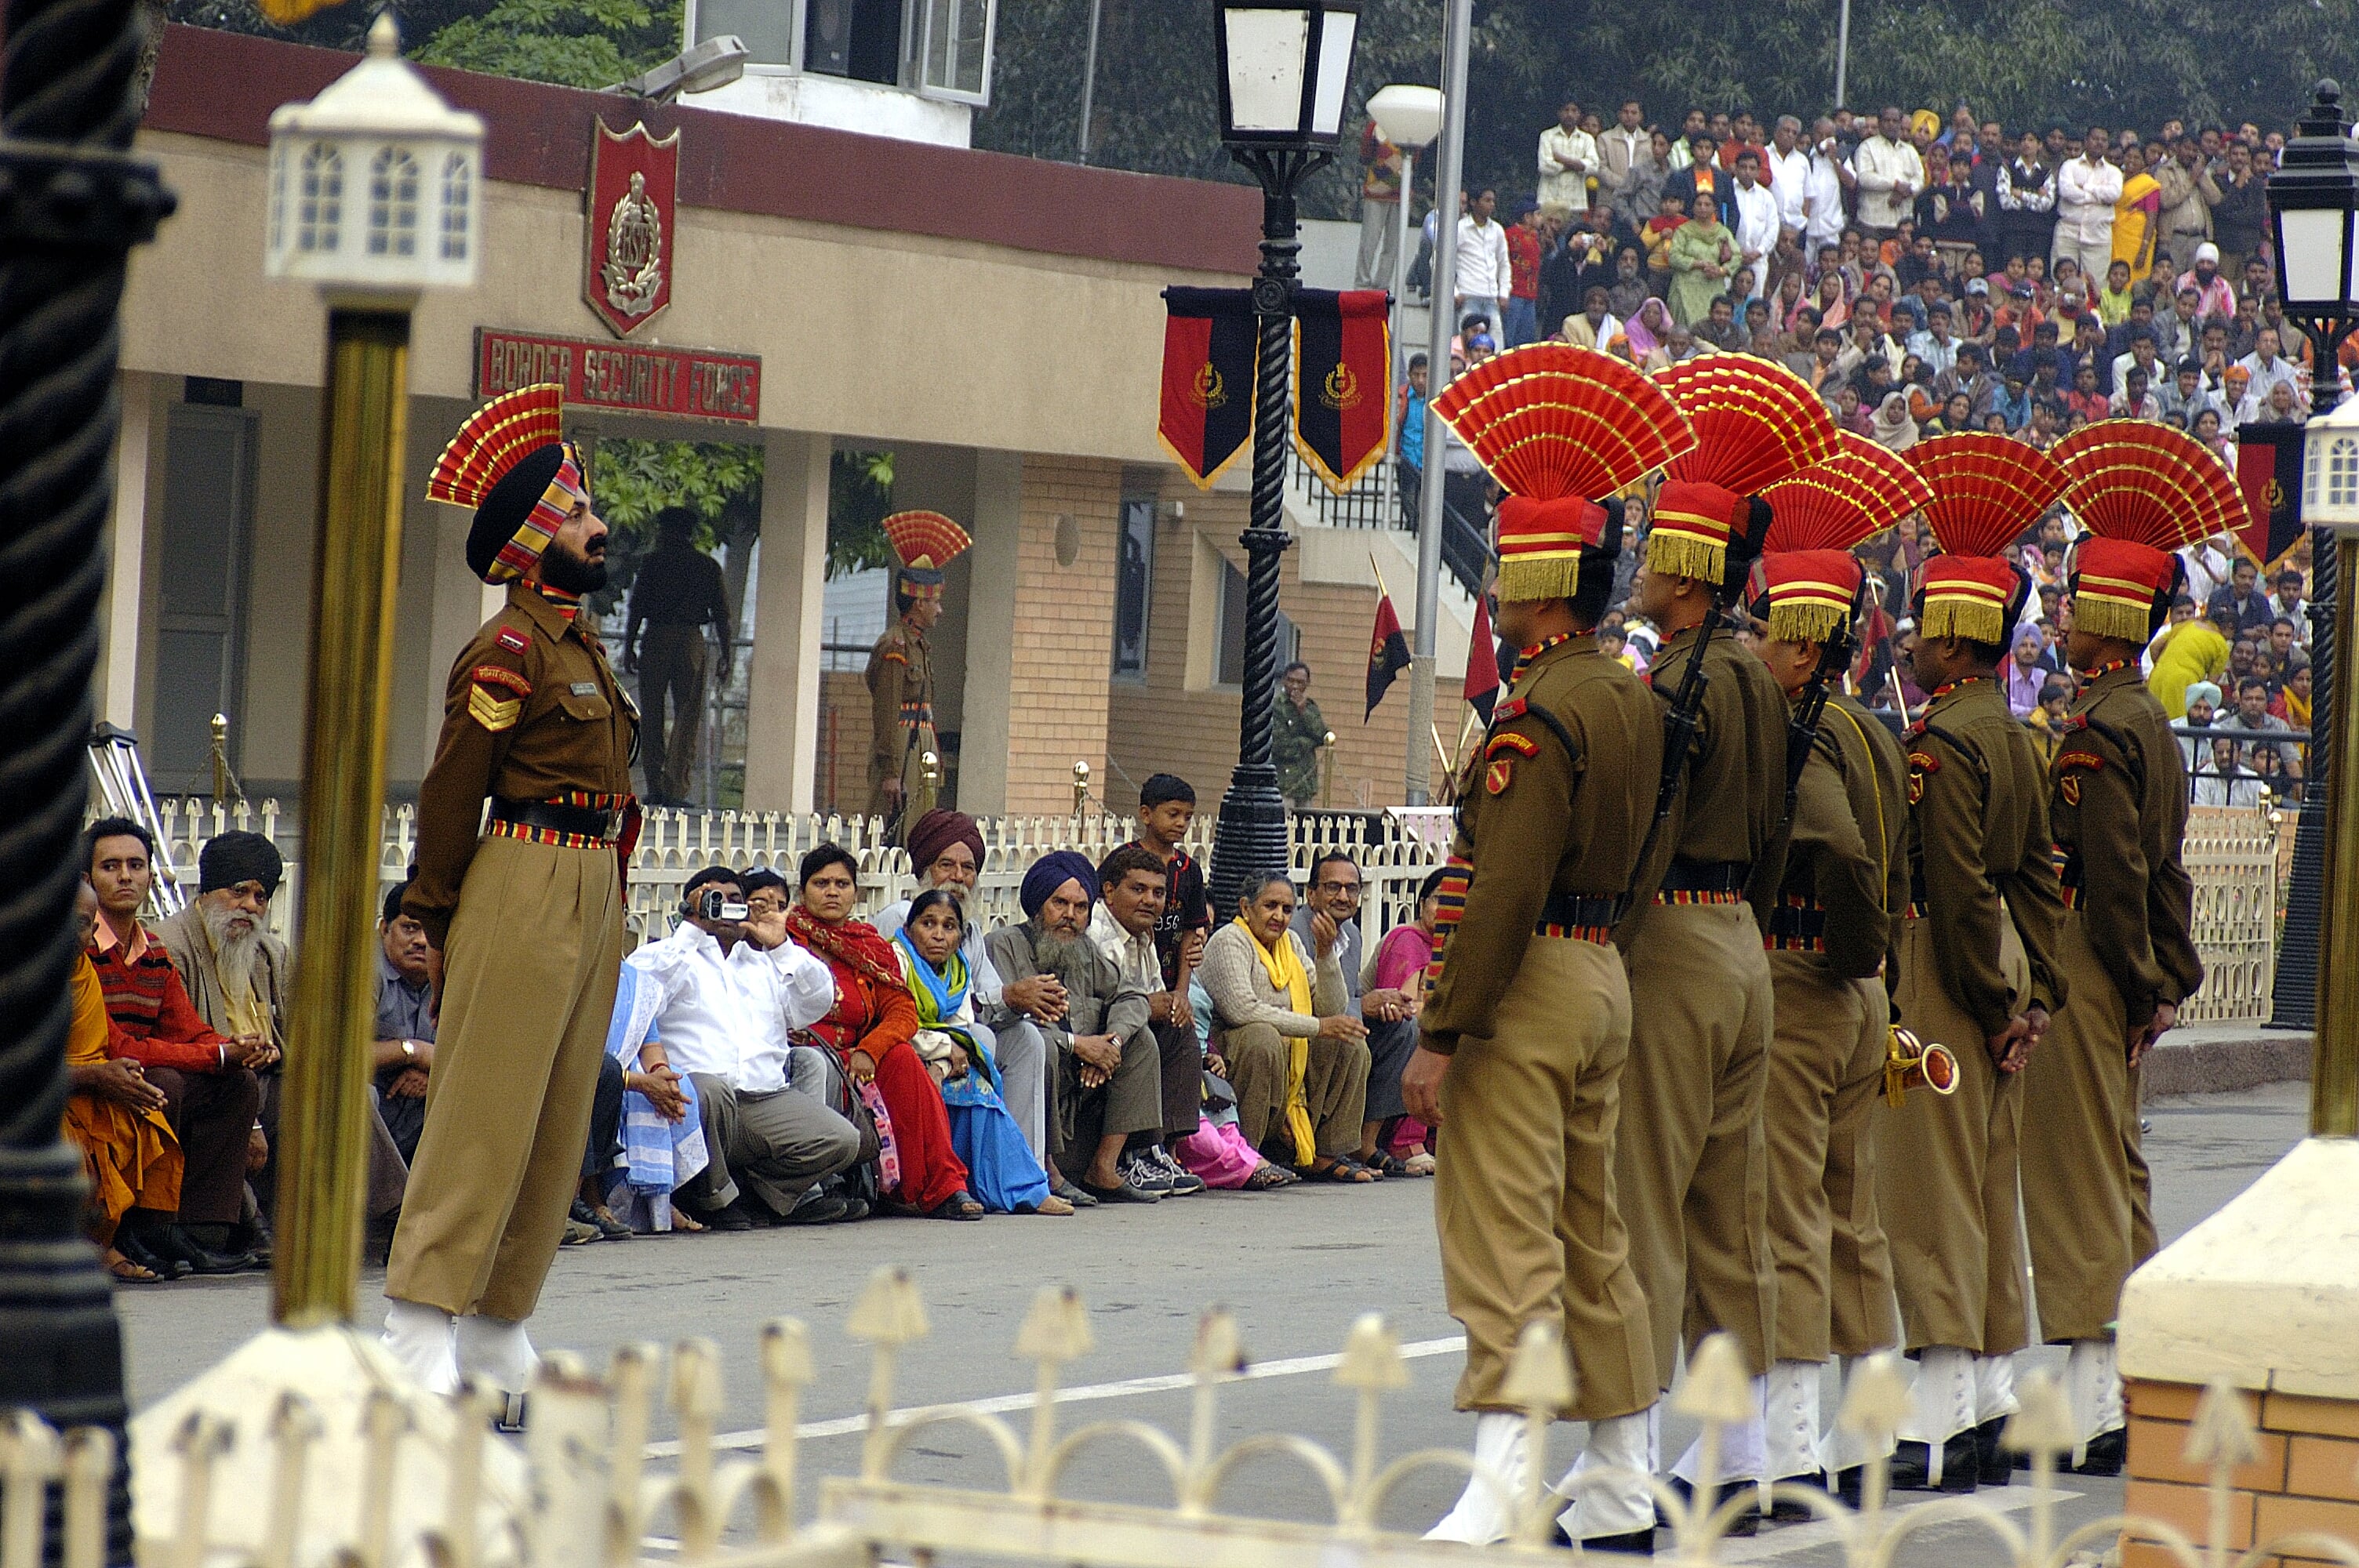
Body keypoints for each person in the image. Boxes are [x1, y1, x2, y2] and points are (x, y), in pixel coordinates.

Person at [1405, 437, 1663, 1549]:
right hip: (1602, 966)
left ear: (1543, 588)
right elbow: (1651, 855)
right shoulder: (1630, 697)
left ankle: (1505, 1482)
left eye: (1507, 573)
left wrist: (1445, 1026)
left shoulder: (1535, 717)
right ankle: (1619, 1480)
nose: (1496, 591)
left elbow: (1501, 889)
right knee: (1591, 1233)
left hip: (1525, 986)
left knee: (1508, 1236)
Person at [387, 385, 638, 1406]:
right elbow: (453, 792)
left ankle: (498, 1324)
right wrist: (431, 913)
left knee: (554, 1117)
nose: (598, 526)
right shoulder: (509, 650)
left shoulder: (579, 644)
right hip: (523, 876)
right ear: (537, 536)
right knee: (485, 1112)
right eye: (577, 513)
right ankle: (416, 1326)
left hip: (589, 883)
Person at [1882, 437, 2070, 1494]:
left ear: (1957, 641)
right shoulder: (2016, 735)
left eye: (1922, 629)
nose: (1909, 645)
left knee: (1929, 1190)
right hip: (2000, 967)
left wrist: (1993, 1003)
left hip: (1946, 976)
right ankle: (1993, 1402)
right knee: (1988, 1187)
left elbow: (1951, 891)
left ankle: (1940, 1418)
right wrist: (2037, 993)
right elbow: (2037, 880)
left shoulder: (1939, 749)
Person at [2021, 455, 2205, 1478]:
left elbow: (2120, 871)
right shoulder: (2147, 721)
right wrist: (2165, 980)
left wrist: (2136, 981)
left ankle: (2102, 1408)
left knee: (2076, 1180)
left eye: (2081, 604)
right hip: (2121, 961)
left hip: (2091, 956)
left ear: (2115, 621)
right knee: (2113, 1174)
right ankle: (2125, 1388)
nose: (2066, 619)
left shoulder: (2097, 727)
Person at [1616, 466, 1787, 1512]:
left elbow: (1649, 832)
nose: (1636, 571)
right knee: (1729, 1209)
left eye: (1650, 555)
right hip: (1740, 939)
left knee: (1642, 1201)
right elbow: (1772, 831)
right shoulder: (1758, 674)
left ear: (1685, 573)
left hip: (1674, 938)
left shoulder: (1682, 682)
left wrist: (1613, 945)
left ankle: (1622, 1465)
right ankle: (1740, 1447)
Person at [1739, 519, 1912, 1506]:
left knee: (1788, 1209)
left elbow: (1845, 854)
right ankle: (1868, 1427)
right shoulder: (1870, 728)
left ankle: (1795, 1440)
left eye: (1769, 631)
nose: (1758, 645)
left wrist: (1845, 953)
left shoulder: (1804, 731)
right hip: (1855, 992)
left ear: (1804, 644)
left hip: (1807, 976)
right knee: (1852, 1211)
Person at [159, 831, 406, 1251]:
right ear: (206, 891)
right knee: (245, 1094)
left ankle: (397, 1215)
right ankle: (250, 1225)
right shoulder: (171, 946)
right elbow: (181, 1039)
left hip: (270, 1077)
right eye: (239, 892)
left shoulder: (270, 954)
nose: (250, 906)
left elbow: (303, 1042)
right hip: (210, 1078)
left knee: (344, 1093)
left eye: (261, 896)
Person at [625, 866, 864, 1228]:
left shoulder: (764, 963)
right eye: (715, 899)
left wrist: (782, 946)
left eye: (737, 900)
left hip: (762, 1099)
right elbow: (642, 1001)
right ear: (693, 904)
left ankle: (761, 1197)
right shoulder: (667, 954)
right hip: (695, 1099)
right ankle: (710, 1199)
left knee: (843, 1139)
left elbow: (818, 1000)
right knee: (713, 1089)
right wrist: (693, 927)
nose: (727, 908)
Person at [85, 818, 264, 1277]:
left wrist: (234, 1048)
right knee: (165, 1082)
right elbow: (115, 1043)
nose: (125, 876)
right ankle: (145, 1227)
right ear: (88, 877)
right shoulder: (81, 945)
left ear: (150, 876)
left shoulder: (154, 951)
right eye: (111, 866)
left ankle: (203, 1229)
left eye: (136, 865)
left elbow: (185, 1028)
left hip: (137, 1072)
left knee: (240, 1083)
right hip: (95, 1076)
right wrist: (215, 1055)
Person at [785, 844, 982, 1219]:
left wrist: (872, 1048)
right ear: (802, 891)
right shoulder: (786, 939)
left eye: (842, 884)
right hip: (805, 1052)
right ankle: (823, 1187)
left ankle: (944, 1186)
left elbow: (902, 1009)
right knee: (820, 1065)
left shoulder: (870, 946)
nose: (832, 891)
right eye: (821, 883)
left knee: (903, 1058)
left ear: (855, 892)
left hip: (860, 1056)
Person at [874, 808, 1055, 1178]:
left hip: (957, 1032)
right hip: (909, 1036)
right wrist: (1007, 997)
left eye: (968, 867)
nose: (958, 876)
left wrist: (1024, 998)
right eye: (946, 865)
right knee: (982, 1036)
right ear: (924, 870)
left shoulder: (967, 929)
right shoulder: (902, 917)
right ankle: (967, 1170)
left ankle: (1024, 1171)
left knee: (1026, 1039)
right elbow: (898, 1001)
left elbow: (986, 996)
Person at [987, 852, 1171, 1203]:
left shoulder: (1085, 949)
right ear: (1039, 905)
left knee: (1141, 1040)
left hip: (1083, 1080)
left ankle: (1104, 1167)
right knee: (1038, 1043)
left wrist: (1112, 1043)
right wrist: (1077, 1045)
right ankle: (1048, 1170)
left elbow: (1131, 996)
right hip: (1034, 1072)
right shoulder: (1005, 945)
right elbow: (1004, 1026)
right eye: (1060, 903)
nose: (1070, 916)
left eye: (1081, 907)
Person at [894, 889, 1070, 1214]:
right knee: (972, 1082)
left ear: (960, 936)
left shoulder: (957, 970)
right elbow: (900, 1027)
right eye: (928, 924)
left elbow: (962, 1030)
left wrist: (941, 1066)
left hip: (938, 1061)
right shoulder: (897, 962)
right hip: (899, 1057)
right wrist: (945, 1054)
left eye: (949, 927)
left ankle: (1018, 1188)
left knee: (979, 1089)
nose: (938, 935)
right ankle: (1014, 1189)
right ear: (909, 930)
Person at [1201, 874, 1373, 1181]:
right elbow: (1242, 1010)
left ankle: (1326, 1153)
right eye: (1270, 906)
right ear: (1245, 907)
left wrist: (1325, 953)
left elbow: (1331, 1008)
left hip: (1286, 1047)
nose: (1279, 916)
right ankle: (1248, 1154)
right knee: (1262, 1036)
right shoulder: (1230, 940)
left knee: (1350, 1041)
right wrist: (1317, 1027)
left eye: (1287, 909)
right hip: (1232, 1049)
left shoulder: (1290, 942)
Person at [62, 877, 184, 1283]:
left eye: (85, 925)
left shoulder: (80, 971)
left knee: (143, 1117)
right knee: (68, 1149)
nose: (77, 936)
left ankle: (99, 1245)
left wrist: (117, 1075)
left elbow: (93, 1047)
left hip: (71, 1090)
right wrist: (96, 1075)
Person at [1089, 843, 1217, 1193]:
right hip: (1098, 1032)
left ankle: (1161, 1151)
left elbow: (1155, 993)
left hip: (1127, 1025)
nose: (1150, 900)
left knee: (1179, 1027)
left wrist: (1173, 1004)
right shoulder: (1098, 934)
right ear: (1110, 892)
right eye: (1139, 890)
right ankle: (1131, 1156)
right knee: (1144, 1036)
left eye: (1158, 893)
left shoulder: (1143, 933)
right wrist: (1151, 1005)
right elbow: (1110, 1004)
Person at [1292, 851, 1419, 1175]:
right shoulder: (1295, 932)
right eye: (1333, 887)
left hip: (1339, 1017)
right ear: (1311, 893)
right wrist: (1362, 1006)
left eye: (1352, 888)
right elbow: (1305, 1001)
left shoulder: (1352, 935)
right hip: (1305, 1027)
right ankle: (1327, 1148)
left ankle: (1366, 1141)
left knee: (1406, 1028)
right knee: (1352, 1039)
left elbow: (1348, 992)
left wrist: (1386, 999)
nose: (1343, 896)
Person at [866, 509, 972, 840]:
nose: (939, 609)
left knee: (921, 831)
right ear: (918, 603)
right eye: (935, 602)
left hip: (921, 745)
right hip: (902, 747)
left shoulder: (919, 645)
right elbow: (887, 712)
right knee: (891, 833)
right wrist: (891, 772)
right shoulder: (895, 645)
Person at [623, 505, 732, 808]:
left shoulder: (652, 564)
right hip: (690, 639)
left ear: (665, 531)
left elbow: (636, 610)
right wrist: (726, 655)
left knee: (652, 713)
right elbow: (722, 616)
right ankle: (676, 786)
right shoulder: (706, 566)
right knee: (688, 714)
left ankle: (656, 786)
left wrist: (628, 645)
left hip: (656, 636)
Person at [373, 880, 435, 1166]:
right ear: (385, 929)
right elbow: (341, 1057)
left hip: (417, 1117)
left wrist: (431, 1074)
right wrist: (416, 1052)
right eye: (410, 928)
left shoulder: (451, 975)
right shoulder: (366, 971)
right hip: (372, 1104)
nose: (422, 940)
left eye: (431, 932)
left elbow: (479, 1057)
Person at [2054, 129, 2123, 284]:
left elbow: (2114, 195)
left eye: (2103, 140)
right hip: (2068, 233)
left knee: (2096, 285)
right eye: (2095, 139)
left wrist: (2085, 187)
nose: (2099, 143)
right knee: (2061, 282)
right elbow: (2067, 191)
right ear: (2086, 141)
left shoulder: (2114, 172)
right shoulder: (2070, 166)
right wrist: (2098, 195)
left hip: (2098, 236)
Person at [1854, 107, 1925, 240]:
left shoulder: (1910, 151)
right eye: (1887, 120)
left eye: (1895, 121)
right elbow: (1865, 178)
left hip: (1903, 225)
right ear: (1880, 123)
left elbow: (1920, 179)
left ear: (1900, 124)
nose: (1891, 124)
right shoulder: (1867, 147)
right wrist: (1895, 185)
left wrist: (1905, 192)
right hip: (1872, 223)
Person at [1668, 191, 1737, 327]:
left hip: (1713, 287)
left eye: (1707, 204)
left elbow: (1737, 257)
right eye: (1699, 204)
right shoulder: (1683, 231)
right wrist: (1697, 264)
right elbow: (1673, 257)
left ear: (1714, 209)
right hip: (1685, 287)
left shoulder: (1722, 232)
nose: (1703, 208)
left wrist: (1721, 270)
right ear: (1692, 208)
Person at [1455, 187, 1513, 336]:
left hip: (1492, 297)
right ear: (1474, 202)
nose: (1492, 205)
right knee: (1470, 343)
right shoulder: (1460, 228)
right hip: (1468, 295)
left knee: (1496, 344)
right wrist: (1454, 292)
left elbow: (1503, 263)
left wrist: (1504, 293)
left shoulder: (1497, 230)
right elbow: (1438, 260)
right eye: (1487, 200)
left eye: (1493, 201)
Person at [1355, 117, 1404, 290]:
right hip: (1376, 191)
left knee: (1392, 244)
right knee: (1370, 240)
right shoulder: (1374, 126)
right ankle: (1362, 284)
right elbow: (1365, 155)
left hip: (1401, 193)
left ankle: (1382, 285)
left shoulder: (1411, 127)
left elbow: (1415, 158)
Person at [1271, 660, 1329, 808]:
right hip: (1285, 783)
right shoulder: (1276, 707)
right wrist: (1308, 743)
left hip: (1306, 783)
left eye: (1300, 682)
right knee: (1285, 827)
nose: (1295, 686)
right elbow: (1281, 746)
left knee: (1305, 828)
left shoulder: (1309, 707)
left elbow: (1323, 736)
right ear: (1284, 680)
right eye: (1291, 681)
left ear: (1307, 683)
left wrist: (1303, 711)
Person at [1538, 100, 1598, 222]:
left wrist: (1561, 160)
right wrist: (1577, 165)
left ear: (1579, 115)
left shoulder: (1587, 139)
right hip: (1549, 200)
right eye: (1566, 110)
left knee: (1574, 239)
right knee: (1547, 238)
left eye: (1574, 110)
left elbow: (1594, 166)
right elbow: (1545, 166)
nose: (1570, 114)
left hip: (1576, 203)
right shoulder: (1547, 136)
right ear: (1559, 113)